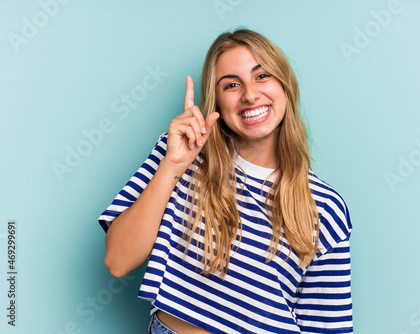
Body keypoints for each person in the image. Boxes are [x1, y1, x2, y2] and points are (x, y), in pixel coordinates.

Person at [98, 28, 352, 334]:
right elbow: (118, 261)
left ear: (285, 85)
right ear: (216, 100)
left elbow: (325, 327)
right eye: (231, 84)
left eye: (262, 76)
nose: (250, 94)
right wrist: (172, 166)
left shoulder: (324, 207)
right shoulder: (183, 152)